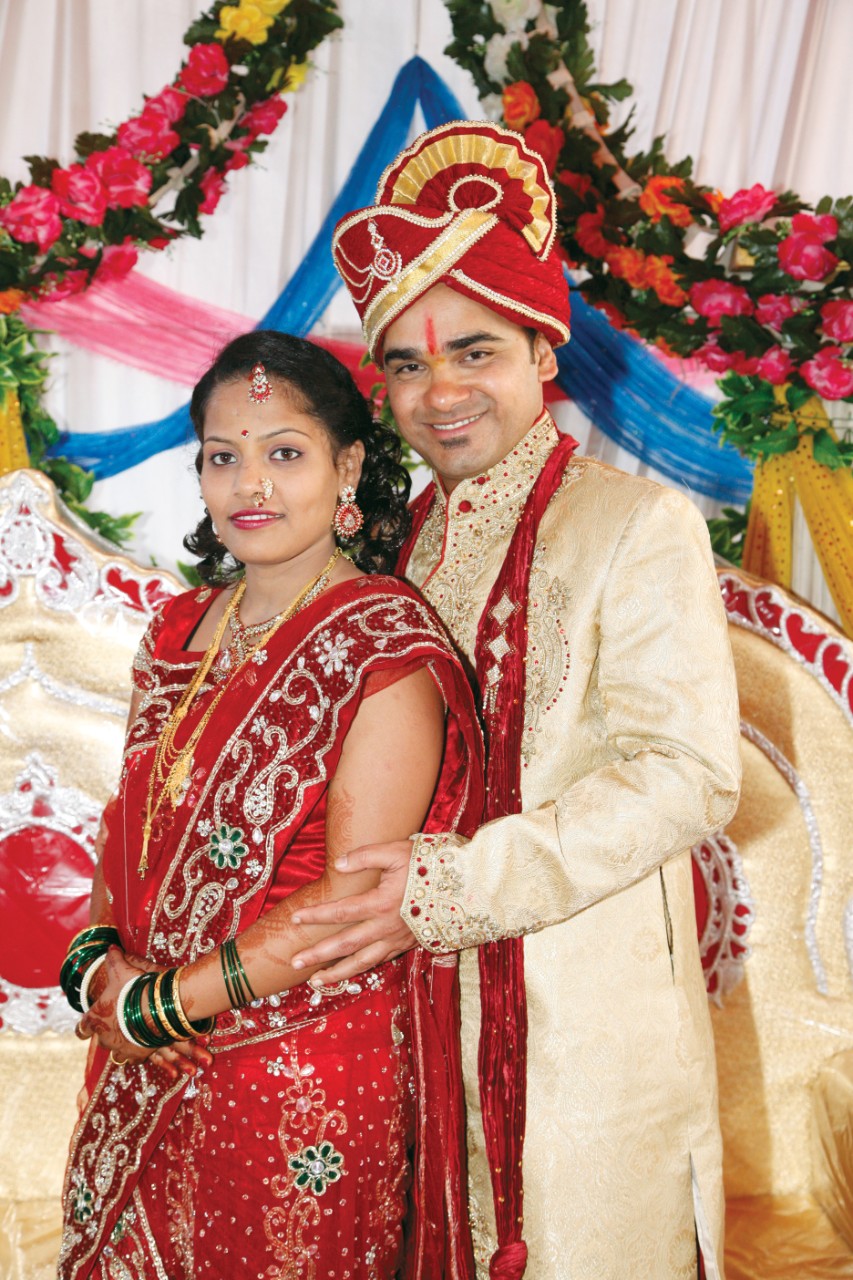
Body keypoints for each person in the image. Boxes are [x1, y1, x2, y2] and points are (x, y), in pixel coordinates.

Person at [288, 122, 742, 1279]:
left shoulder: (636, 525)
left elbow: (688, 774)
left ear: (543, 352)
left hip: (579, 1039)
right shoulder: (400, 545)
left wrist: (456, 883)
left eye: (474, 352)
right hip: (412, 1025)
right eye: (404, 364)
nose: (440, 391)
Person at [58, 331, 485, 1280]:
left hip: (296, 1065)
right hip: (149, 1049)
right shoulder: (181, 625)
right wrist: (100, 972)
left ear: (349, 468)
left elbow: (350, 899)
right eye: (223, 456)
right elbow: (127, 830)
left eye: (284, 453)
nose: (250, 484)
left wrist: (161, 1004)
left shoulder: (383, 646)